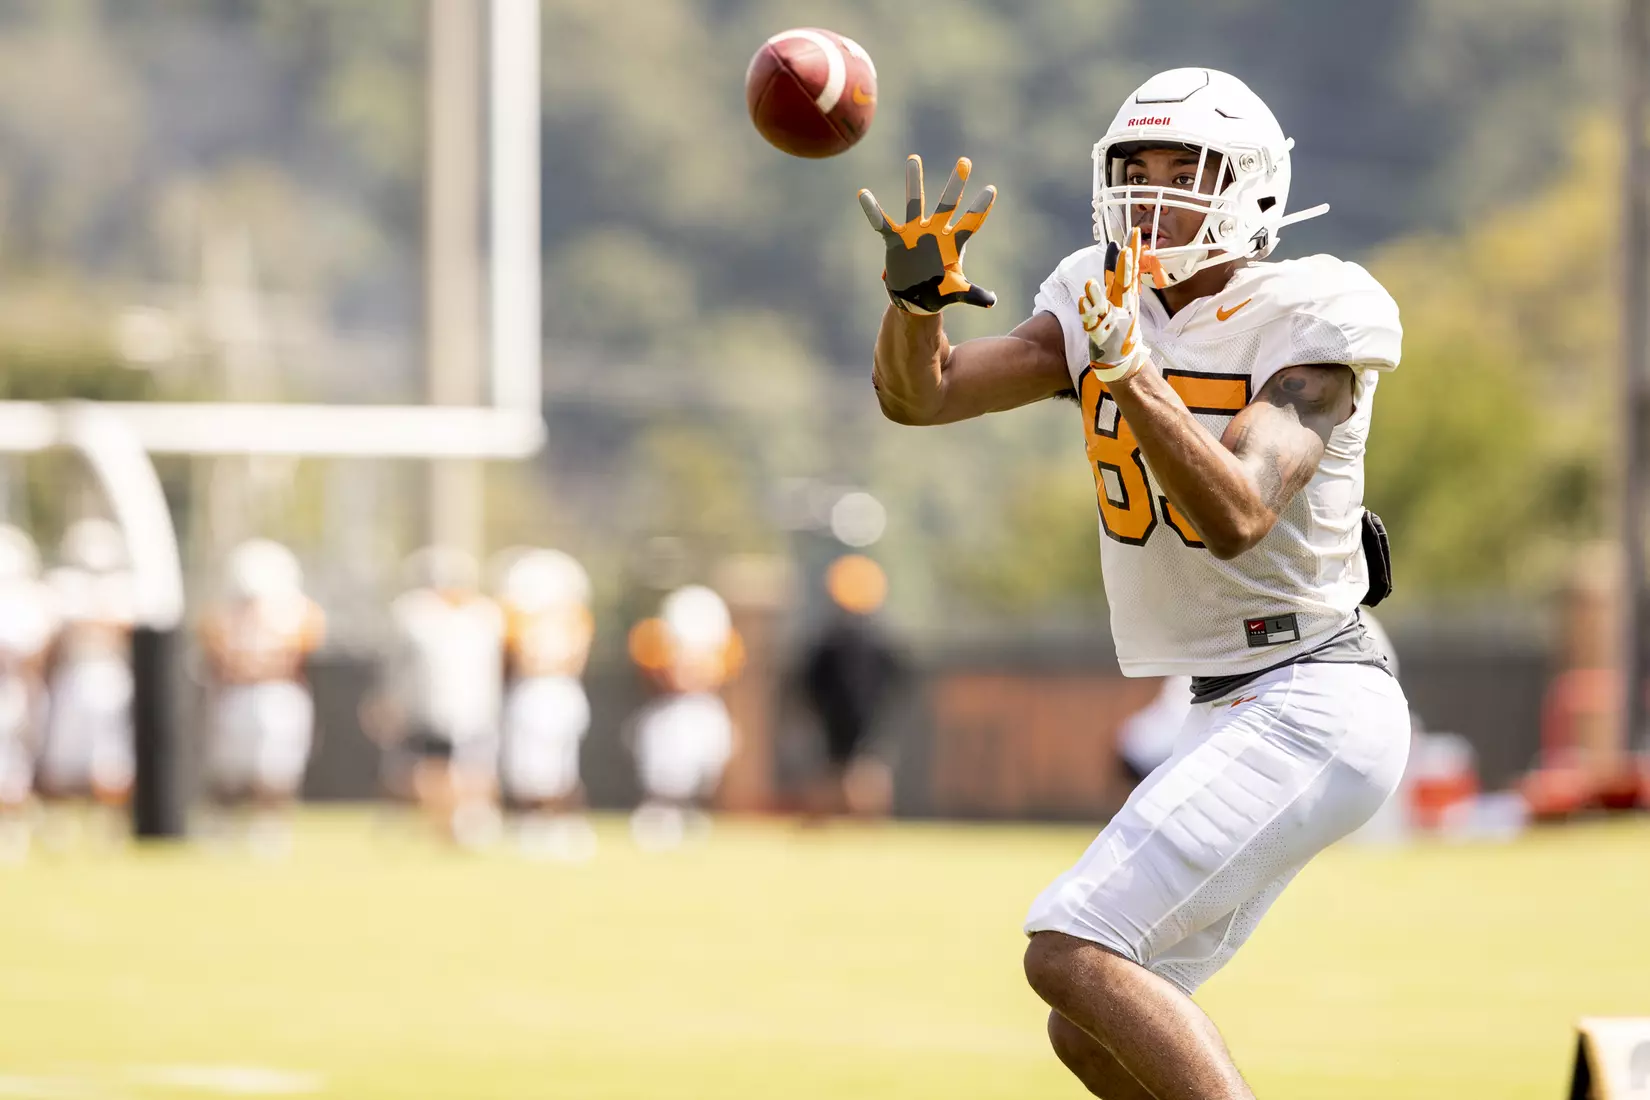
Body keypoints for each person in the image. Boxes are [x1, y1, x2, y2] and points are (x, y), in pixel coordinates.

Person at [858, 67, 1408, 1099]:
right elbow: (921, 398)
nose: (1153, 197)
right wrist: (914, 303)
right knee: (1092, 1024)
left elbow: (1238, 515)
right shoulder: (1095, 292)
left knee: (1070, 944)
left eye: (1185, 172)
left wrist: (1128, 367)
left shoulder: (1313, 311)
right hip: (1224, 697)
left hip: (1313, 685)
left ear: (1251, 187)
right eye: (1135, 170)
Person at [363, 547, 505, 850]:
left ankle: (461, 821)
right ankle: (452, 822)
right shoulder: (423, 614)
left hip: (463, 710)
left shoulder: (480, 615)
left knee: (462, 771)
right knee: (428, 770)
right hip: (435, 710)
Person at [199, 539, 325, 857]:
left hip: (278, 696)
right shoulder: (223, 614)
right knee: (229, 767)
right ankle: (221, 823)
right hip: (237, 696)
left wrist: (259, 664)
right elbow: (216, 651)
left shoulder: (297, 611)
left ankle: (269, 827)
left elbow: (301, 650)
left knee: (277, 768)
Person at [493, 547, 597, 861]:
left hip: (555, 694)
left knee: (560, 769)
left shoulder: (573, 619)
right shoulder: (515, 618)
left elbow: (573, 659)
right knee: (526, 768)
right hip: (528, 694)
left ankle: (565, 823)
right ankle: (531, 822)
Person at [37, 518, 136, 844]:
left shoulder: (124, 587)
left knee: (111, 759)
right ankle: (60, 825)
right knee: (62, 755)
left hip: (109, 678)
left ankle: (107, 825)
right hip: (72, 679)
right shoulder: (62, 586)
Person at [626, 584, 742, 850]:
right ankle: (662, 815)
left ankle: (689, 812)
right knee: (668, 771)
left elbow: (720, 677)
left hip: (703, 709)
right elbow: (662, 678)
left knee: (705, 767)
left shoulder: (723, 645)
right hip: (673, 710)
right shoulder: (656, 639)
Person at [795, 554, 907, 820]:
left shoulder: (831, 640)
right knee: (861, 771)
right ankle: (857, 822)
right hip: (860, 721)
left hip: (842, 721)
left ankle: (835, 820)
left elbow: (810, 681)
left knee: (846, 772)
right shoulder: (880, 639)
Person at [0, 526, 57, 860]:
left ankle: (15, 831)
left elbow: (38, 655)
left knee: (15, 769)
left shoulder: (31, 602)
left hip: (16, 693)